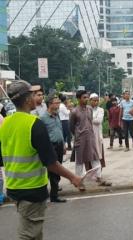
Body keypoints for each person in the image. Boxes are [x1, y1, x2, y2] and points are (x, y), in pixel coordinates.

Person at [0, 80, 81, 239]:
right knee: (28, 234)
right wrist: (73, 177)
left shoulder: (6, 123)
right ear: (27, 99)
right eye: (32, 94)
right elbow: (50, 162)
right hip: (32, 189)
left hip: (14, 187)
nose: (37, 97)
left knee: (34, 232)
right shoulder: (34, 124)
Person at [70, 90, 108, 189]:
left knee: (95, 157)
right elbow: (71, 127)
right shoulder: (74, 111)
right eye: (84, 97)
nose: (86, 99)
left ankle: (99, 178)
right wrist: (78, 135)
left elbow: (90, 122)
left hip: (91, 138)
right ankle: (79, 182)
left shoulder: (89, 109)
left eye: (87, 97)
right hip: (80, 139)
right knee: (80, 161)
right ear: (78, 99)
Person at [40, 95, 67, 203]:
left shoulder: (57, 116)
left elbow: (60, 130)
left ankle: (53, 191)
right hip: (51, 146)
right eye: (56, 103)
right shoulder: (43, 118)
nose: (58, 105)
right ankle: (54, 196)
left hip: (60, 145)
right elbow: (42, 135)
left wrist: (64, 145)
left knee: (58, 168)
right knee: (54, 170)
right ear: (50, 104)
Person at [90, 93, 107, 170]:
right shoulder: (87, 109)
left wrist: (88, 119)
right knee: (90, 154)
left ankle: (99, 171)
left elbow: (99, 121)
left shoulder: (101, 110)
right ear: (90, 101)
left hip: (97, 135)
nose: (96, 102)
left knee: (99, 153)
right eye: (94, 100)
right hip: (89, 135)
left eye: (97, 101)